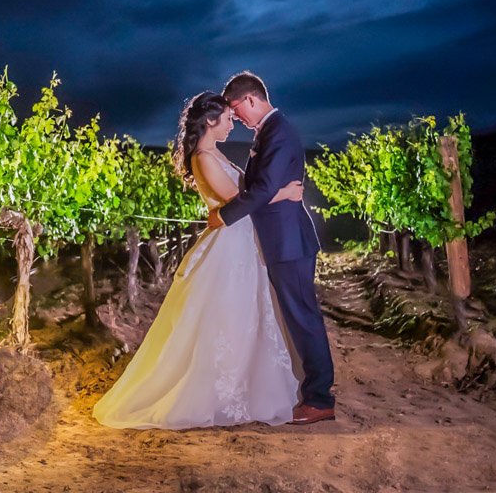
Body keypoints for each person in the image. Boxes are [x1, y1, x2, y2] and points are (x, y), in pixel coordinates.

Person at [93, 92, 301, 429]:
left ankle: (245, 386)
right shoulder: (203, 157)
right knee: (226, 316)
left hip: (240, 239)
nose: (232, 123)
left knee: (242, 315)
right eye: (228, 118)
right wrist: (285, 193)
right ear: (210, 120)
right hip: (229, 244)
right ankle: (215, 394)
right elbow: (238, 199)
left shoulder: (214, 152)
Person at [207, 71, 335, 425]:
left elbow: (262, 189)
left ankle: (320, 399)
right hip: (282, 240)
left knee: (304, 318)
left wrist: (224, 216)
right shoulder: (269, 131)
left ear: (250, 99)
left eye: (235, 108)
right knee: (297, 318)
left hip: (289, 242)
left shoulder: (278, 131)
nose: (235, 117)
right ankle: (312, 393)